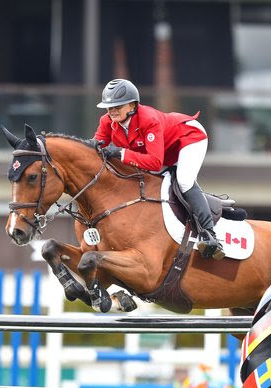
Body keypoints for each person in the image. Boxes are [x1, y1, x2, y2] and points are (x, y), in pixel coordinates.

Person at [93, 78, 224, 260]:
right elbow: (96, 146)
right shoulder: (106, 121)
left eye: (117, 106)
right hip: (165, 151)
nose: (112, 111)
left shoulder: (148, 120)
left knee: (184, 181)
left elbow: (154, 162)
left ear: (131, 106)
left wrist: (122, 153)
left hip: (188, 138)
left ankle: (210, 235)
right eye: (109, 107)